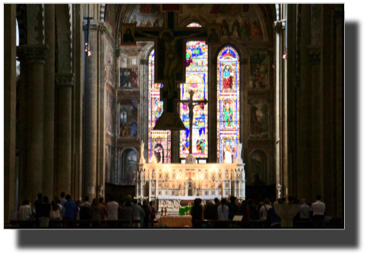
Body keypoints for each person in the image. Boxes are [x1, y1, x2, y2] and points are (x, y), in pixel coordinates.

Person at [138, 28, 204, 99]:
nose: (165, 39)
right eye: (164, 38)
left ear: (169, 36)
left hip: (175, 59)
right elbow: (150, 35)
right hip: (168, 60)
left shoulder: (175, 40)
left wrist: (199, 32)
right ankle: (169, 90)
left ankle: (172, 91)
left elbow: (186, 35)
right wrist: (139, 32)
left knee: (170, 74)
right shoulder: (164, 42)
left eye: (166, 37)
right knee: (165, 74)